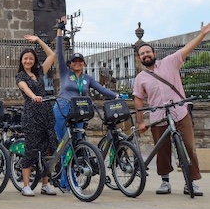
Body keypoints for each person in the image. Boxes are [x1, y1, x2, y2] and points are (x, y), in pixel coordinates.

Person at [133, 22, 210, 196]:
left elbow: (187, 48)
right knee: (162, 150)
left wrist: (202, 34)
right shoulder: (140, 78)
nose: (145, 55)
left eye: (148, 52)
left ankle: (190, 182)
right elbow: (138, 99)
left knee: (189, 148)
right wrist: (140, 122)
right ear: (139, 58)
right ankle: (165, 182)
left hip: (180, 112)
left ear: (154, 54)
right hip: (158, 116)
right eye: (142, 54)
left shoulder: (170, 62)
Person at [53, 17, 118, 141]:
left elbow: (101, 89)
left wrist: (116, 95)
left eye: (80, 61)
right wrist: (59, 31)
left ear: (84, 64)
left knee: (79, 140)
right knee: (64, 142)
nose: (77, 63)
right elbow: (59, 54)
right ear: (70, 64)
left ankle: (78, 160)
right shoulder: (65, 73)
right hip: (63, 107)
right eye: (74, 61)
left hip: (79, 109)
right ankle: (63, 160)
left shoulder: (87, 78)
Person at [15, 34, 58, 197]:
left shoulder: (39, 72)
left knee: (47, 150)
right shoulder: (20, 76)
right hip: (32, 114)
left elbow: (52, 55)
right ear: (21, 61)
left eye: (31, 58)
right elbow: (24, 87)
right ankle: (26, 185)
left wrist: (38, 41)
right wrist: (33, 96)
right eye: (25, 59)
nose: (28, 61)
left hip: (46, 112)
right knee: (31, 150)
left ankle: (45, 184)